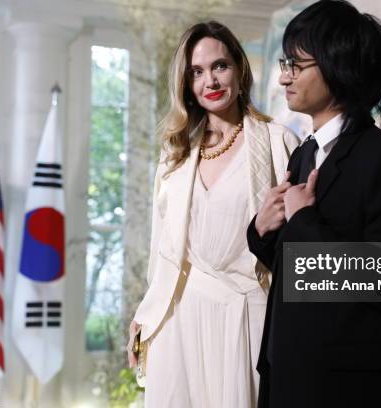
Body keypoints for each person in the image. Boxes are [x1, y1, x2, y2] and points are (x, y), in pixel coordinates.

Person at [247, 1, 381, 407]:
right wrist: (263, 229)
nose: (283, 76)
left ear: (337, 66)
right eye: (284, 62)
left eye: (296, 64)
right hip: (290, 370)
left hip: (352, 384)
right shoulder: (303, 156)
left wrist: (304, 219)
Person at [127, 21, 300, 408]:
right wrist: (145, 314)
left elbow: (298, 244)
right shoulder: (175, 154)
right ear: (186, 84)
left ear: (239, 68)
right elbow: (163, 248)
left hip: (249, 311)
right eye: (197, 72)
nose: (211, 81)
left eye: (220, 66)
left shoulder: (278, 142)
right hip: (179, 316)